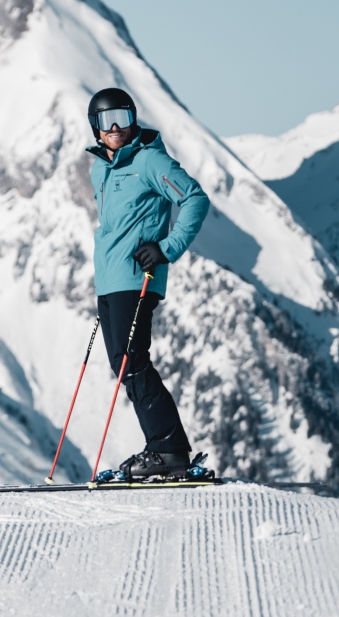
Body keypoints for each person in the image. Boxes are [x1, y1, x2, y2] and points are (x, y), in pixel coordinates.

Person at [86, 87, 209, 478]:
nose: (117, 126)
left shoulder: (150, 161)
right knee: (125, 365)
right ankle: (163, 447)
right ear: (96, 128)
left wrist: (167, 248)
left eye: (123, 115)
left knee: (133, 362)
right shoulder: (100, 168)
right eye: (107, 120)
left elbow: (194, 199)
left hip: (137, 279)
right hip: (110, 282)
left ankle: (169, 450)